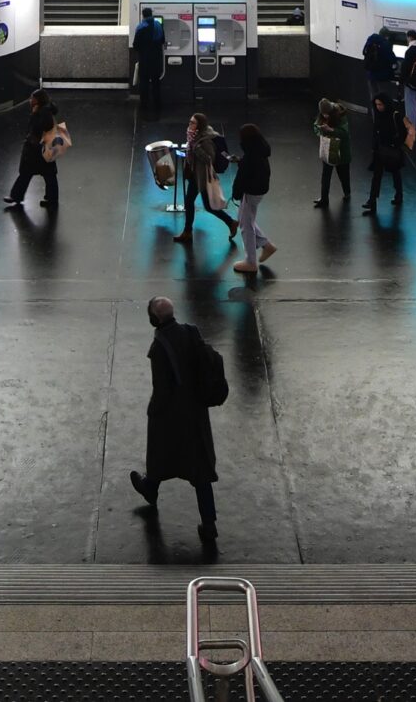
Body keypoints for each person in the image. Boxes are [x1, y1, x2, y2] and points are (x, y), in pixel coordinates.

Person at [129, 296, 223, 544]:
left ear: (154, 319)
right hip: (196, 411)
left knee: (161, 451)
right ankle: (209, 524)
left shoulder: (159, 347)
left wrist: (153, 411)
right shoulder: (191, 332)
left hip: (172, 413)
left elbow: (161, 388)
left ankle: (150, 487)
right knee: (200, 468)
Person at [176, 114, 236, 241]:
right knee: (190, 202)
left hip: (203, 177)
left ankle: (231, 222)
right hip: (195, 176)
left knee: (208, 206)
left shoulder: (206, 140)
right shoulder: (194, 136)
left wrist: (195, 147)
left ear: (200, 125)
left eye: (193, 122)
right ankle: (187, 231)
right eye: (190, 122)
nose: (190, 124)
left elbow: (209, 159)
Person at [4, 92, 67, 210]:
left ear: (38, 100)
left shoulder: (44, 111)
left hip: (37, 149)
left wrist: (34, 115)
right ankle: (51, 199)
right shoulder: (46, 109)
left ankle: (16, 196)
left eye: (32, 98)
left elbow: (40, 127)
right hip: (42, 148)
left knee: (28, 173)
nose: (30, 100)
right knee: (47, 174)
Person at [229, 123, 275, 277]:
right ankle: (266, 245)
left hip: (251, 192)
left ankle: (250, 262)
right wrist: (241, 161)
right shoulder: (260, 150)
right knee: (245, 220)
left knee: (246, 226)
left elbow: (242, 178)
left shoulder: (250, 156)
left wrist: (236, 193)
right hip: (259, 189)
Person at [363, 88, 410, 212]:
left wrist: (395, 144)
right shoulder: (382, 115)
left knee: (394, 173)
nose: (378, 107)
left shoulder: (395, 115)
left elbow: (403, 133)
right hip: (382, 150)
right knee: (379, 175)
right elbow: (376, 132)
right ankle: (372, 200)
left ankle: (396, 195)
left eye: (380, 104)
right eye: (377, 104)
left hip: (390, 149)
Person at [313, 98, 352, 209]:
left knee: (343, 174)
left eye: (327, 114)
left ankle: (347, 192)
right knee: (326, 175)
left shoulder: (340, 114)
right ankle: (324, 198)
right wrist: (320, 129)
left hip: (341, 151)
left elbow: (344, 133)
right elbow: (315, 126)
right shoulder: (322, 115)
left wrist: (331, 130)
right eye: (323, 114)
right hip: (328, 150)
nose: (325, 116)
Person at [130, 6, 167, 116]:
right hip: (156, 59)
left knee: (144, 83)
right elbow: (163, 40)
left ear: (143, 15)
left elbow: (135, 44)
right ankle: (157, 104)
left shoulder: (141, 27)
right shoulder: (158, 25)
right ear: (151, 14)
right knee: (156, 82)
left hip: (145, 60)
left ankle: (144, 105)